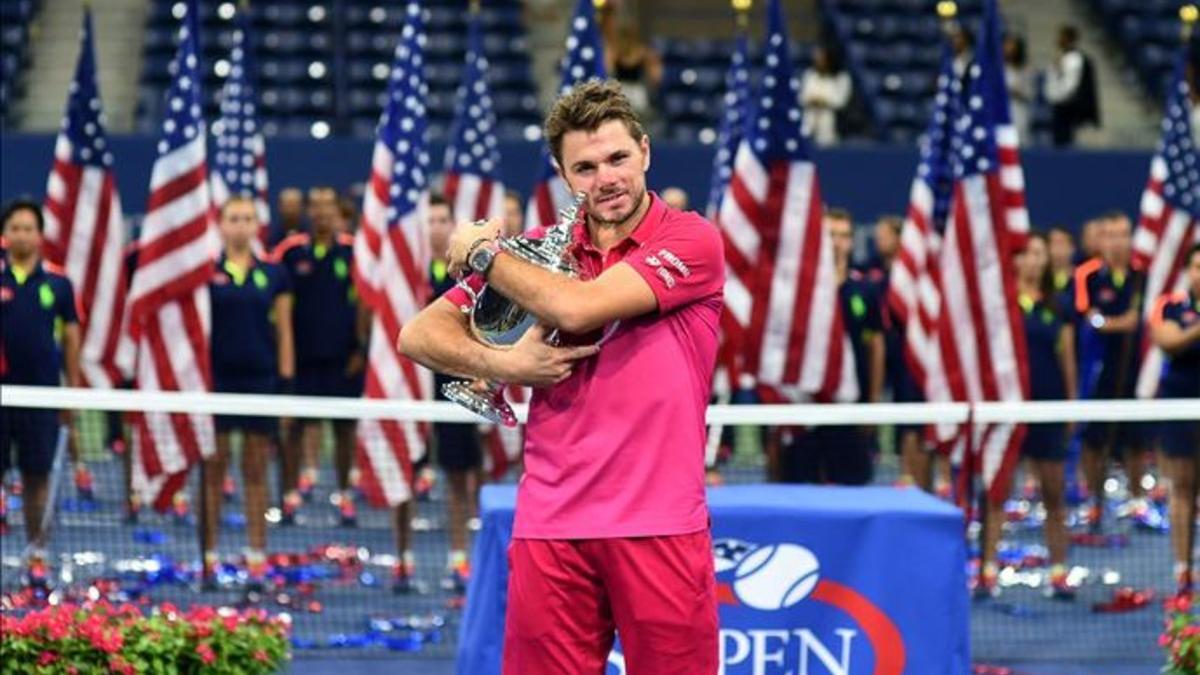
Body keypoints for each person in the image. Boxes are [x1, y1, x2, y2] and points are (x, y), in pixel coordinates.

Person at [400, 79, 722, 672]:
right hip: (552, 524)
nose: (607, 178)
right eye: (586, 167)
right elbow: (418, 334)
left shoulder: (692, 240)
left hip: (659, 524)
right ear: (563, 175)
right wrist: (503, 363)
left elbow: (577, 308)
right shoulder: (541, 255)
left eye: (619, 158)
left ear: (645, 151)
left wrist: (483, 255)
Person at [978, 232, 1077, 600]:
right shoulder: (1001, 305)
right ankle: (988, 569)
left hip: (1048, 408)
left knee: (1054, 493)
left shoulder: (1059, 306)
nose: (1034, 261)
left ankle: (1059, 570)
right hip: (1008, 410)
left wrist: (1070, 404)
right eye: (1027, 254)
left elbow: (1067, 359)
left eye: (1040, 254)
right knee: (997, 492)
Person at [201, 197, 294, 592]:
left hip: (259, 383)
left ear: (258, 225)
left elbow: (286, 332)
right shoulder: (206, 273)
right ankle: (209, 560)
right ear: (220, 225)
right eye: (233, 219)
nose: (240, 226)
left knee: (255, 472)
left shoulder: (274, 273)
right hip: (216, 383)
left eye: (248, 219)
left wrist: (286, 387)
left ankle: (257, 558)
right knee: (213, 471)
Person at [272, 186, 365, 525]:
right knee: (293, 432)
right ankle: (289, 497)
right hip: (303, 364)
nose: (323, 212)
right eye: (317, 206)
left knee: (344, 433)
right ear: (310, 212)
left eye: (329, 205)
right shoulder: (290, 253)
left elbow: (366, 303)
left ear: (336, 211)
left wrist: (361, 349)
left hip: (343, 362)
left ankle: (345, 497)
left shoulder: (354, 252)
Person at [0, 199, 81, 585]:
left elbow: (71, 340)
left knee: (36, 480)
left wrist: (72, 393)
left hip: (42, 397)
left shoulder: (59, 284)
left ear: (39, 234)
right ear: (5, 234)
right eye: (15, 228)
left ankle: (37, 558)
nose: (22, 234)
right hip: (1, 398)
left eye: (28, 228)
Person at [781, 209, 883, 486]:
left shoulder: (864, 290)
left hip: (850, 407)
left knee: (851, 487)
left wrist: (872, 403)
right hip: (805, 410)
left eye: (844, 236)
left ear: (851, 242)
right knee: (800, 488)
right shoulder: (800, 292)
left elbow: (876, 347)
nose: (837, 242)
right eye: (831, 235)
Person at [1074, 211, 1148, 532]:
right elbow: (1090, 317)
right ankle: (1093, 502)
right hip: (1099, 369)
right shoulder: (1088, 275)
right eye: (1110, 234)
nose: (1117, 240)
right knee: (1093, 440)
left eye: (1123, 233)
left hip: (1134, 368)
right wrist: (1119, 323)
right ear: (1101, 239)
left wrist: (1112, 323)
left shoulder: (1141, 275)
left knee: (1135, 441)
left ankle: (1137, 502)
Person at [1149, 244, 1200, 599]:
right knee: (1182, 488)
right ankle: (1183, 570)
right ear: (1187, 270)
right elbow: (1168, 341)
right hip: (1180, 406)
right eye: (1196, 266)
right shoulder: (1168, 305)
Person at [1043, 25, 1099, 147]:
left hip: (1070, 108)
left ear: (1069, 39)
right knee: (1057, 141)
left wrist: (1056, 97)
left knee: (1067, 141)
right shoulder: (1060, 57)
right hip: (1059, 105)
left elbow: (1070, 86)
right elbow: (1052, 80)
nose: (1058, 39)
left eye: (1061, 36)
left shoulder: (1075, 59)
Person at [604, 23, 662, 121]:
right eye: (625, 37)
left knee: (638, 115)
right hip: (621, 87)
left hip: (636, 89)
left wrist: (653, 64)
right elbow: (608, 69)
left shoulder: (641, 52)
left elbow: (655, 74)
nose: (627, 40)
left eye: (629, 37)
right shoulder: (615, 52)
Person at [800, 45, 852, 146]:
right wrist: (812, 100)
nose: (818, 61)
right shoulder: (809, 75)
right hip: (809, 117)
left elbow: (841, 101)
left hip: (831, 121)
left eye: (821, 59)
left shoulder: (842, 78)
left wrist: (823, 101)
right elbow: (802, 97)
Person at [1004, 35, 1032, 143]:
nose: (1008, 48)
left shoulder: (1025, 69)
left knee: (1019, 141)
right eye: (1006, 45)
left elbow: (1029, 93)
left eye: (1011, 45)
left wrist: (1015, 91)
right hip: (1002, 109)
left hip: (1019, 109)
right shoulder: (998, 68)